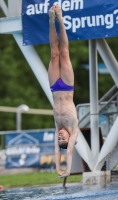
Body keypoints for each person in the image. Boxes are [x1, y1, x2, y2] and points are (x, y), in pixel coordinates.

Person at [48, 5, 79, 178]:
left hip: (54, 86)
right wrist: (66, 170)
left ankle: (51, 21)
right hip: (67, 86)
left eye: (59, 139)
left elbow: (57, 150)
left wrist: (56, 168)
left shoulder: (57, 127)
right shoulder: (73, 129)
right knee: (64, 53)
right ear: (69, 138)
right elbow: (68, 152)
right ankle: (60, 17)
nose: (60, 136)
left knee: (54, 53)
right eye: (63, 139)